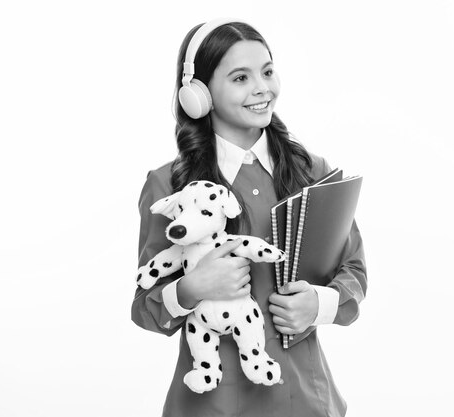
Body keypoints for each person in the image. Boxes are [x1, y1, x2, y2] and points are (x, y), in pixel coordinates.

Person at [131, 18, 367, 417]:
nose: (262, 88)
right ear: (198, 94)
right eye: (240, 77)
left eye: (268, 72)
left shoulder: (312, 170)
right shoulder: (168, 186)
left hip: (306, 400)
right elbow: (144, 307)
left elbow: (354, 270)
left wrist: (318, 305)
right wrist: (191, 288)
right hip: (210, 405)